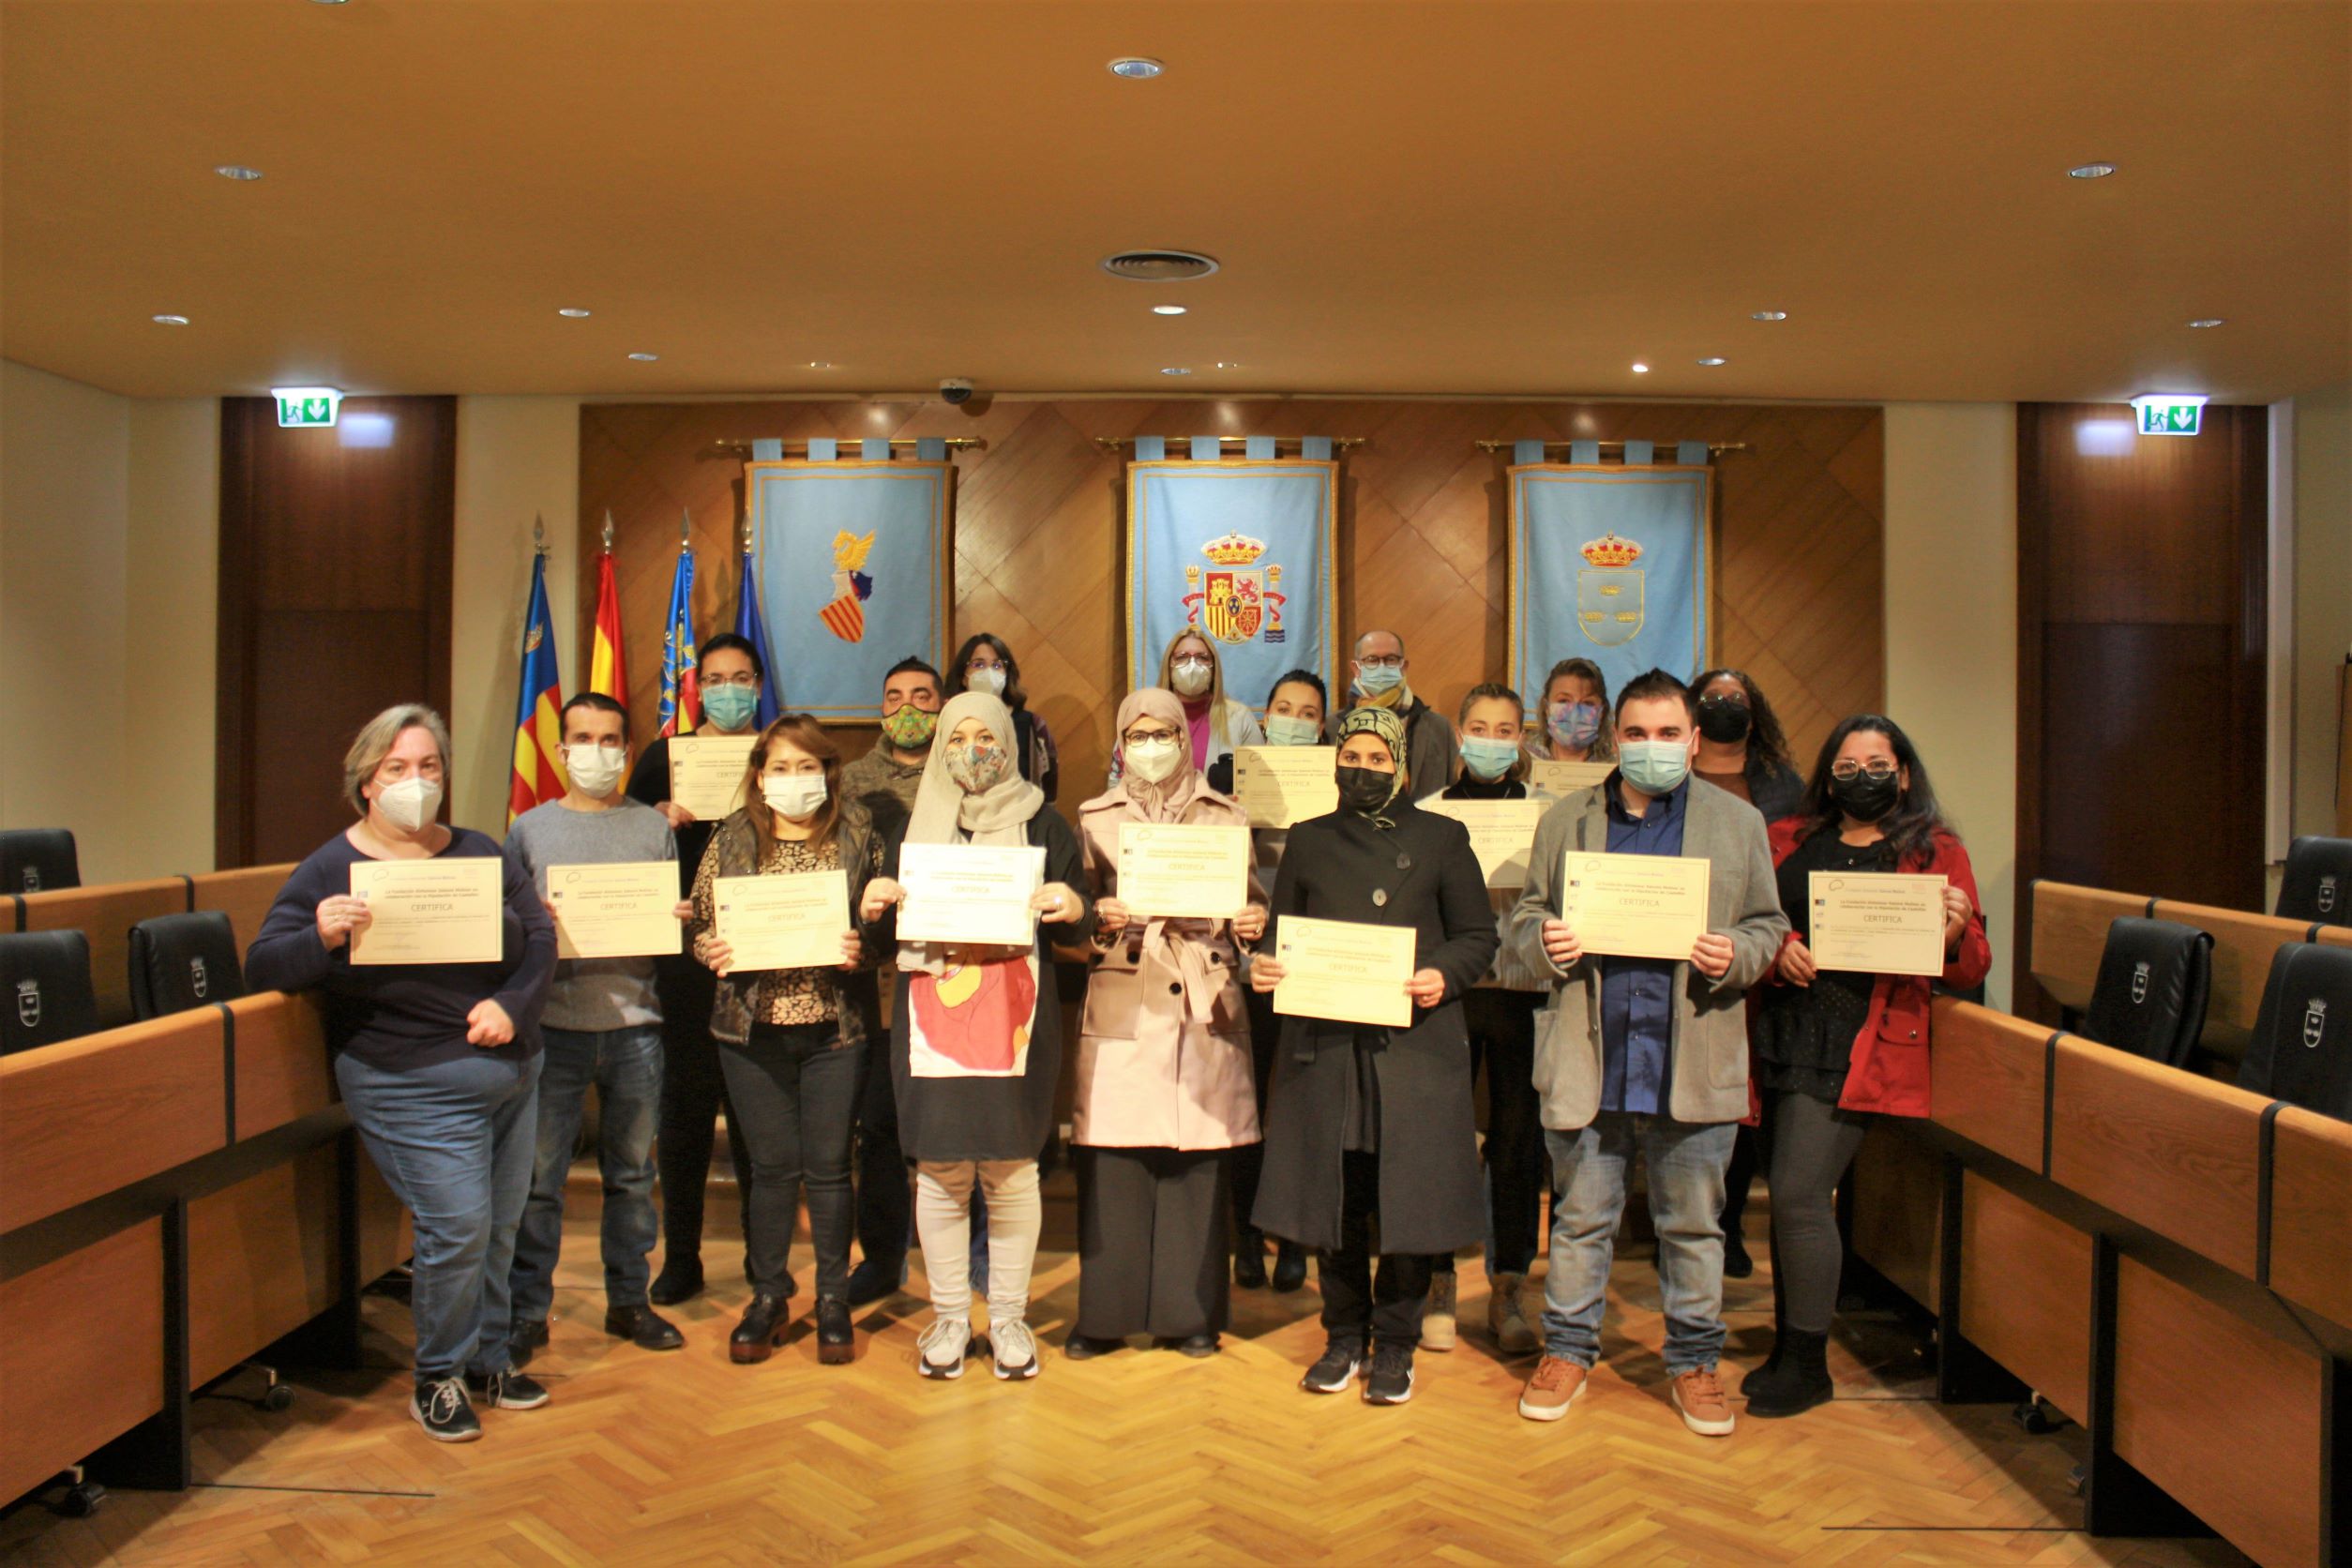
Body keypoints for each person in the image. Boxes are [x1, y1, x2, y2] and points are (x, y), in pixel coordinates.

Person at [246, 704, 555, 1443]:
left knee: (501, 1224)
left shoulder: (481, 850)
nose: (414, 782)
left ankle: (487, 1356)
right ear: (365, 781)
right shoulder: (330, 866)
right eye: (396, 768)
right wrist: (320, 934)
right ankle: (438, 1378)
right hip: (407, 1080)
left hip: (510, 1070)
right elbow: (261, 963)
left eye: (428, 767)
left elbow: (540, 937)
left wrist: (513, 1005)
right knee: (458, 1226)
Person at [1506, 669, 1789, 1438]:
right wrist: (1545, 940)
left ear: (1694, 741)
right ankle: (1568, 1350)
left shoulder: (1737, 825)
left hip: (1689, 1057)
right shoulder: (1567, 819)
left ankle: (1695, 1363)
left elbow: (1769, 928)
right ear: (1615, 737)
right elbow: (1524, 920)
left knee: (1695, 1228)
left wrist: (1733, 950)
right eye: (1637, 734)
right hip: (1588, 1057)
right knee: (1578, 1221)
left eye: (1670, 735)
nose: (1653, 748)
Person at [1247, 707, 1499, 1406]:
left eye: (1377, 760)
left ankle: (1395, 1342)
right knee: (1336, 1197)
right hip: (1326, 1049)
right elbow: (1280, 938)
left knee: (1408, 1200)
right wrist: (1264, 967)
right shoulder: (1308, 838)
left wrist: (1442, 974)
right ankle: (1341, 1335)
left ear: (1402, 767)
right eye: (1350, 756)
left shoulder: (1444, 837)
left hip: (1412, 1046)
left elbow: (1479, 935)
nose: (1362, 769)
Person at [1742, 716, 1988, 1417]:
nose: (1862, 778)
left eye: (1876, 765)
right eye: (1846, 767)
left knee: (1796, 1194)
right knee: (1790, 1195)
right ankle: (1787, 1348)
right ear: (1828, 775)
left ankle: (1808, 1362)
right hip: (1781, 1032)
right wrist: (1779, 944)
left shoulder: (1935, 850)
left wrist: (1951, 929)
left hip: (1861, 1039)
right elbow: (1756, 916)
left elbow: (1971, 966)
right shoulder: (1787, 837)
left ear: (1904, 773)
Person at [857, 692, 1093, 1382]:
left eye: (983, 737)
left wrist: (1072, 905)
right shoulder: (912, 827)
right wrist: (873, 909)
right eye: (956, 738)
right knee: (941, 1168)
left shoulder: (1045, 825)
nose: (972, 750)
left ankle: (1011, 1316)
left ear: (1007, 743)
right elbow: (884, 937)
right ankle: (952, 1316)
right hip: (931, 1018)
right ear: (940, 748)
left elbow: (1078, 926)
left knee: (1012, 1167)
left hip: (1014, 1021)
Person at [1066, 688, 1268, 1360]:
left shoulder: (1227, 815)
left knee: (1197, 1167)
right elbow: (1080, 917)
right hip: (1128, 991)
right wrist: (1102, 919)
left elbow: (1253, 911)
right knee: (1117, 1164)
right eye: (1139, 735)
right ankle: (1104, 1317)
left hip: (1201, 1002)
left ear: (1188, 739)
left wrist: (1251, 927)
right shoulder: (1094, 816)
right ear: (1123, 743)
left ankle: (1191, 1318)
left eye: (1165, 734)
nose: (1152, 747)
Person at [687, 715, 892, 1367]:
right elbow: (702, 924)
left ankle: (833, 1296)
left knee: (831, 1170)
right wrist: (707, 948)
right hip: (751, 1030)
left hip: (836, 1028)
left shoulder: (859, 830)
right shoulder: (732, 835)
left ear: (828, 773)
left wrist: (866, 944)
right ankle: (768, 1294)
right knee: (772, 1171)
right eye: (781, 767)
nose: (794, 779)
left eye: (808, 767)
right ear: (759, 774)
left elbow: (884, 932)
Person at [504, 694, 686, 1364]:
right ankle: (528, 1312)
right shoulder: (528, 831)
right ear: (559, 751)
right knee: (539, 1181)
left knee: (633, 1176)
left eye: (611, 740)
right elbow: (503, 933)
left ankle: (628, 1302)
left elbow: (669, 920)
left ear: (627, 750)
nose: (598, 752)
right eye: (583, 738)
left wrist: (679, 915)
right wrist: (533, 929)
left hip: (637, 1024)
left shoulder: (651, 828)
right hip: (552, 1028)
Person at [625, 631, 767, 1306]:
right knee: (683, 1116)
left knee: (755, 1117)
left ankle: (762, 1258)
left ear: (759, 687)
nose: (728, 690)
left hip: (764, 953)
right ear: (697, 688)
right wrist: (653, 820)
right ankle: (681, 1258)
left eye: (740, 677)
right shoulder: (661, 760)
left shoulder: (779, 756)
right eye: (715, 679)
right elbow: (624, 852)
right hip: (684, 960)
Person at [1424, 682, 1546, 1356]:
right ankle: (1439, 1275)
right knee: (1444, 1135)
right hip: (1453, 994)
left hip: (1527, 994)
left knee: (1517, 1143)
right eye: (1479, 726)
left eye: (1505, 730)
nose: (1491, 741)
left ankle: (1508, 1282)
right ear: (1460, 732)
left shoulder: (1549, 814)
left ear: (1522, 738)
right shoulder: (1431, 811)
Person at [1686, 667, 1804, 1278]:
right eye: (1711, 699)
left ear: (1753, 715)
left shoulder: (1782, 786)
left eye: (1735, 700)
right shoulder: (1669, 774)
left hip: (1757, 960)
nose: (1723, 708)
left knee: (1744, 1101)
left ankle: (1727, 1227)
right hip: (1681, 952)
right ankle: (1677, 1224)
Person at [837, 656, 944, 1306]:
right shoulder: (850, 782)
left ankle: (962, 1260)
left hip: (952, 967)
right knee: (875, 1121)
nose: (909, 709)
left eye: (923, 697)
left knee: (947, 1123)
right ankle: (880, 1257)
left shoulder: (965, 772)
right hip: (872, 973)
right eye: (895, 696)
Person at [1214, 670, 1324, 1293]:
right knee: (1247, 1101)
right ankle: (1248, 1236)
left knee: (1300, 1107)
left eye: (1307, 714)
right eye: (1283, 708)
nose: (1293, 720)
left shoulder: (1340, 789)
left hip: (1314, 966)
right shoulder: (1233, 779)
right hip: (1246, 960)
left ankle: (1297, 1240)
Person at [1117, 628, 1263, 780]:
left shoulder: (1239, 717)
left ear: (1214, 668)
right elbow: (1119, 779)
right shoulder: (1141, 714)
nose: (1192, 665)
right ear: (1169, 665)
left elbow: (1259, 780)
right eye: (1181, 657)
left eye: (1202, 658)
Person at [947, 632, 1059, 803]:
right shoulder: (949, 723)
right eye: (979, 665)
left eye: (997, 665)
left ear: (1007, 673)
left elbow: (1048, 787)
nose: (989, 672)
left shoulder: (1032, 726)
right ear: (963, 676)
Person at [1347, 629, 1459, 796]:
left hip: (1422, 821)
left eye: (1391, 659)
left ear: (1403, 667)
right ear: (1356, 668)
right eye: (1372, 660)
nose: (1382, 666)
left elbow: (1452, 791)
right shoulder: (1335, 725)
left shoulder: (1439, 727)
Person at [1525, 658, 1616, 765]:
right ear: (1546, 708)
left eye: (1587, 703)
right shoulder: (1524, 763)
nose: (1575, 712)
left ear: (1602, 712)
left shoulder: (1616, 769)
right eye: (1563, 701)